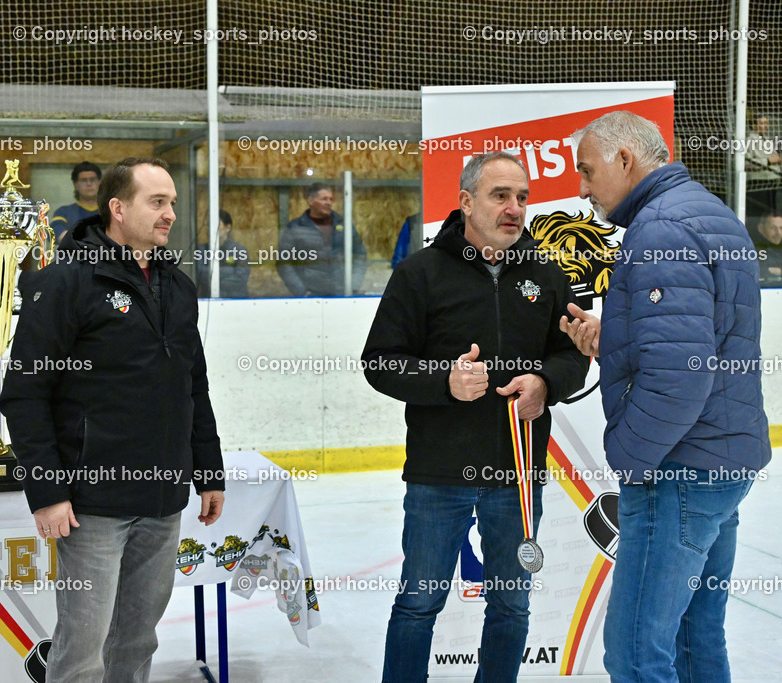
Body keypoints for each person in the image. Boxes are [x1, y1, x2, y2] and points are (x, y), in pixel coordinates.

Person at [560, 111, 771, 682]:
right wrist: (616, 340)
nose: (582, 189)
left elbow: (678, 378)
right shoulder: (710, 213)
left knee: (636, 653)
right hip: (722, 460)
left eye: (587, 170)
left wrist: (631, 458)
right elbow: (702, 343)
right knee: (695, 640)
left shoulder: (660, 229)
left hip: (679, 470)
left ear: (625, 159)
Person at [363, 151, 588, 682]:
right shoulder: (420, 274)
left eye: (522, 197)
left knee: (511, 606)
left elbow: (572, 354)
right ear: (466, 201)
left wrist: (546, 382)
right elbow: (380, 362)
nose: (515, 208)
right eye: (500, 195)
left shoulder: (546, 274)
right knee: (418, 604)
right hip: (439, 475)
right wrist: (443, 380)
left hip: (518, 477)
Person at [0, 157, 226, 682]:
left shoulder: (178, 287)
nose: (170, 214)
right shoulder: (64, 283)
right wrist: (47, 490)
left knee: (138, 639)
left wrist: (208, 470)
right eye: (157, 202)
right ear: (118, 208)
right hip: (92, 504)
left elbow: (192, 385)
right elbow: (26, 394)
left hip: (163, 498)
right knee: (83, 648)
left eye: (172, 203)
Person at [277, 181, 367, 296]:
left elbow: (360, 255)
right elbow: (284, 263)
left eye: (331, 199)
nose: (329, 203)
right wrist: (302, 292)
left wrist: (353, 286)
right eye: (324, 199)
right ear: (310, 201)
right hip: (311, 296)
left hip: (342, 294)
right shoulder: (295, 228)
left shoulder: (344, 225)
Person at [196, 209, 250, 298]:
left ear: (227, 228)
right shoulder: (201, 250)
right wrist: (230, 271)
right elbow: (200, 274)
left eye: (216, 224)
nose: (211, 228)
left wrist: (214, 277)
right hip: (208, 300)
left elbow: (240, 280)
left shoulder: (240, 251)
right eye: (209, 224)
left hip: (236, 300)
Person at [51, 161, 101, 243]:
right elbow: (56, 233)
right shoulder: (63, 212)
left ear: (99, 182)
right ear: (76, 185)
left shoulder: (111, 212)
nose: (89, 184)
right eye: (84, 180)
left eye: (92, 179)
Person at [751, 209, 782, 283]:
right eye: (773, 228)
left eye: (781, 228)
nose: (778, 233)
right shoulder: (754, 250)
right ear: (761, 228)